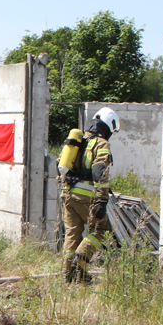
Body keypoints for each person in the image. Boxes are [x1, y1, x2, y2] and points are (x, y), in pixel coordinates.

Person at [60, 106, 118, 283]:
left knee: (72, 233)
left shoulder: (77, 141)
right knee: (101, 229)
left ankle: (69, 274)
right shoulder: (101, 143)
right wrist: (101, 199)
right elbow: (100, 171)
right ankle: (81, 259)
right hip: (86, 197)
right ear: (108, 126)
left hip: (68, 194)